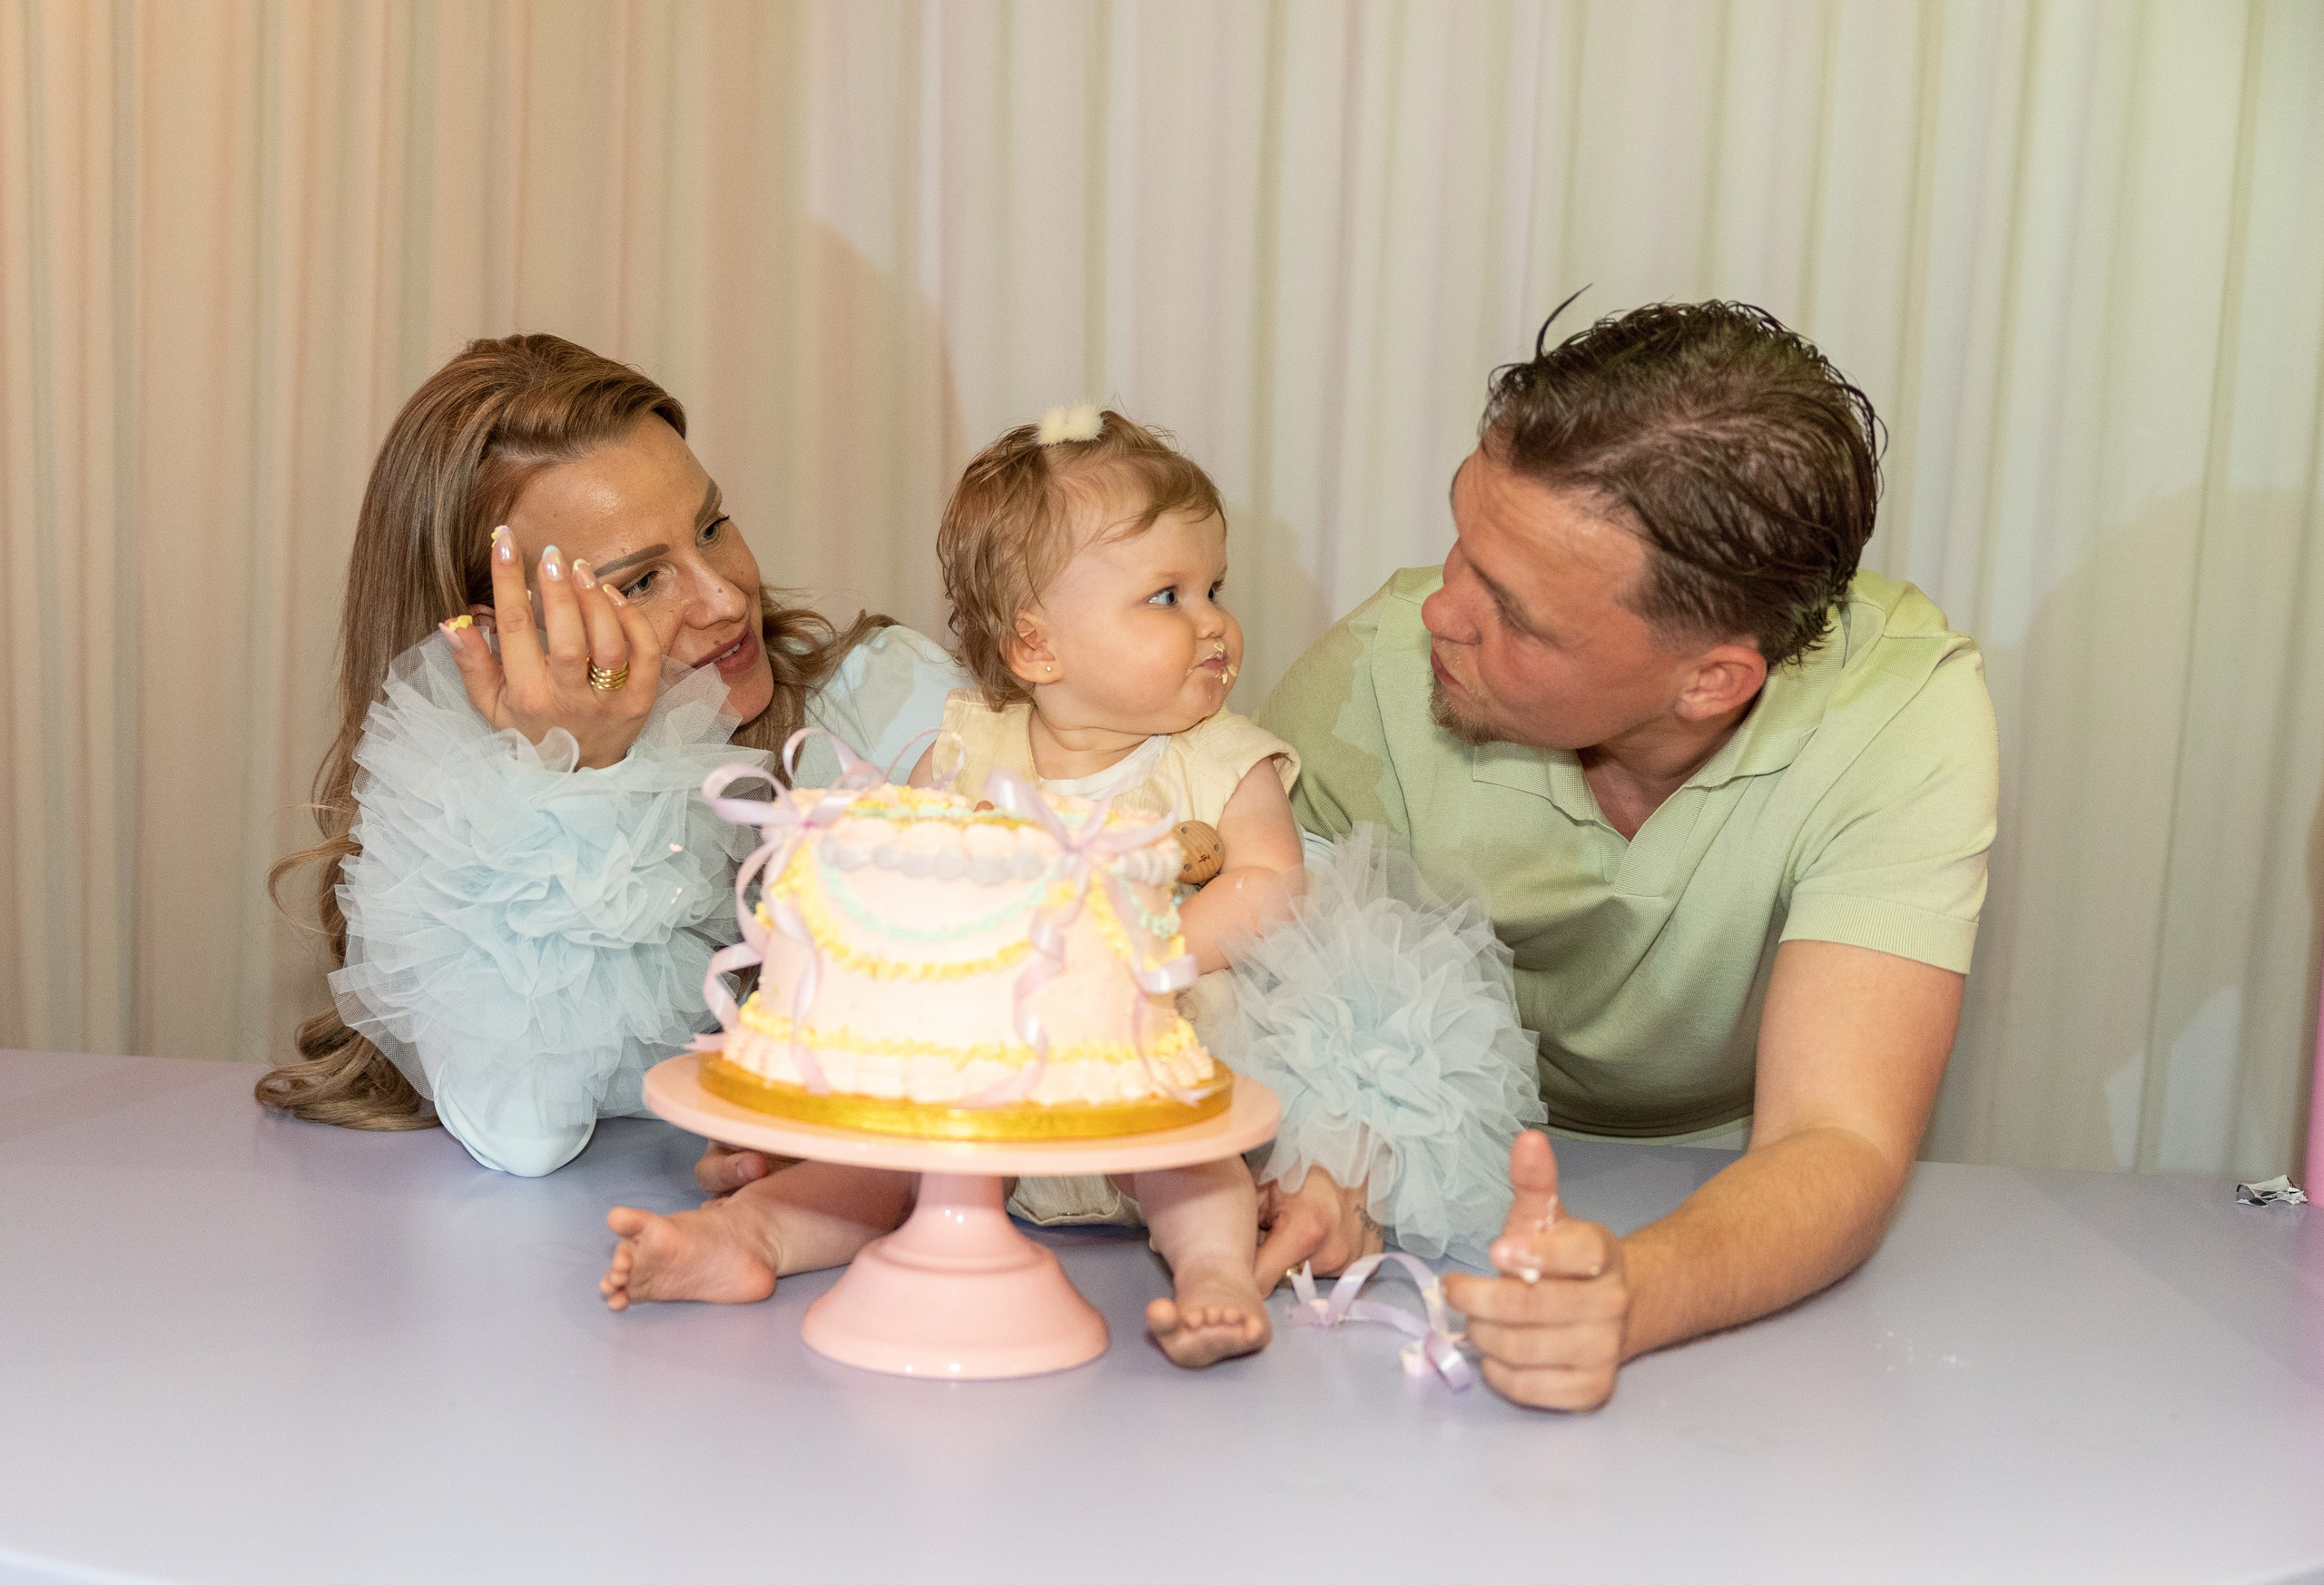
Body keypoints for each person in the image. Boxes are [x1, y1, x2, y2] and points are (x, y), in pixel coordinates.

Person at [598, 406, 1543, 1366]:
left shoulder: (1219, 757)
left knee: (1195, 1172)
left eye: (1214, 588)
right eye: (1167, 596)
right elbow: (922, 868)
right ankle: (745, 1239)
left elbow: (1271, 885)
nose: (1214, 622)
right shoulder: (970, 746)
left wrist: (1141, 954)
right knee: (876, 1171)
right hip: (990, 1065)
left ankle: (1215, 1278)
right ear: (1036, 647)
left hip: (1149, 1058)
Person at [1256, 301, 2000, 1410]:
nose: (1440, 612)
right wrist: (1324, 1169)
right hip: (1422, 1180)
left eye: (1516, 615)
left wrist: (1632, 1292)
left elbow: (1834, 1134)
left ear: (1711, 682)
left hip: (1733, 1198)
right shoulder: (1366, 678)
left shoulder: (1900, 712)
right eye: (1461, 538)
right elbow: (1254, 1021)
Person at [261, 333, 963, 1176]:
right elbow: (526, 1137)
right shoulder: (464, 824)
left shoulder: (886, 701)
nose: (724, 597)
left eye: (712, 526)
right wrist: (574, 777)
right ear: (501, 639)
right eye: (639, 582)